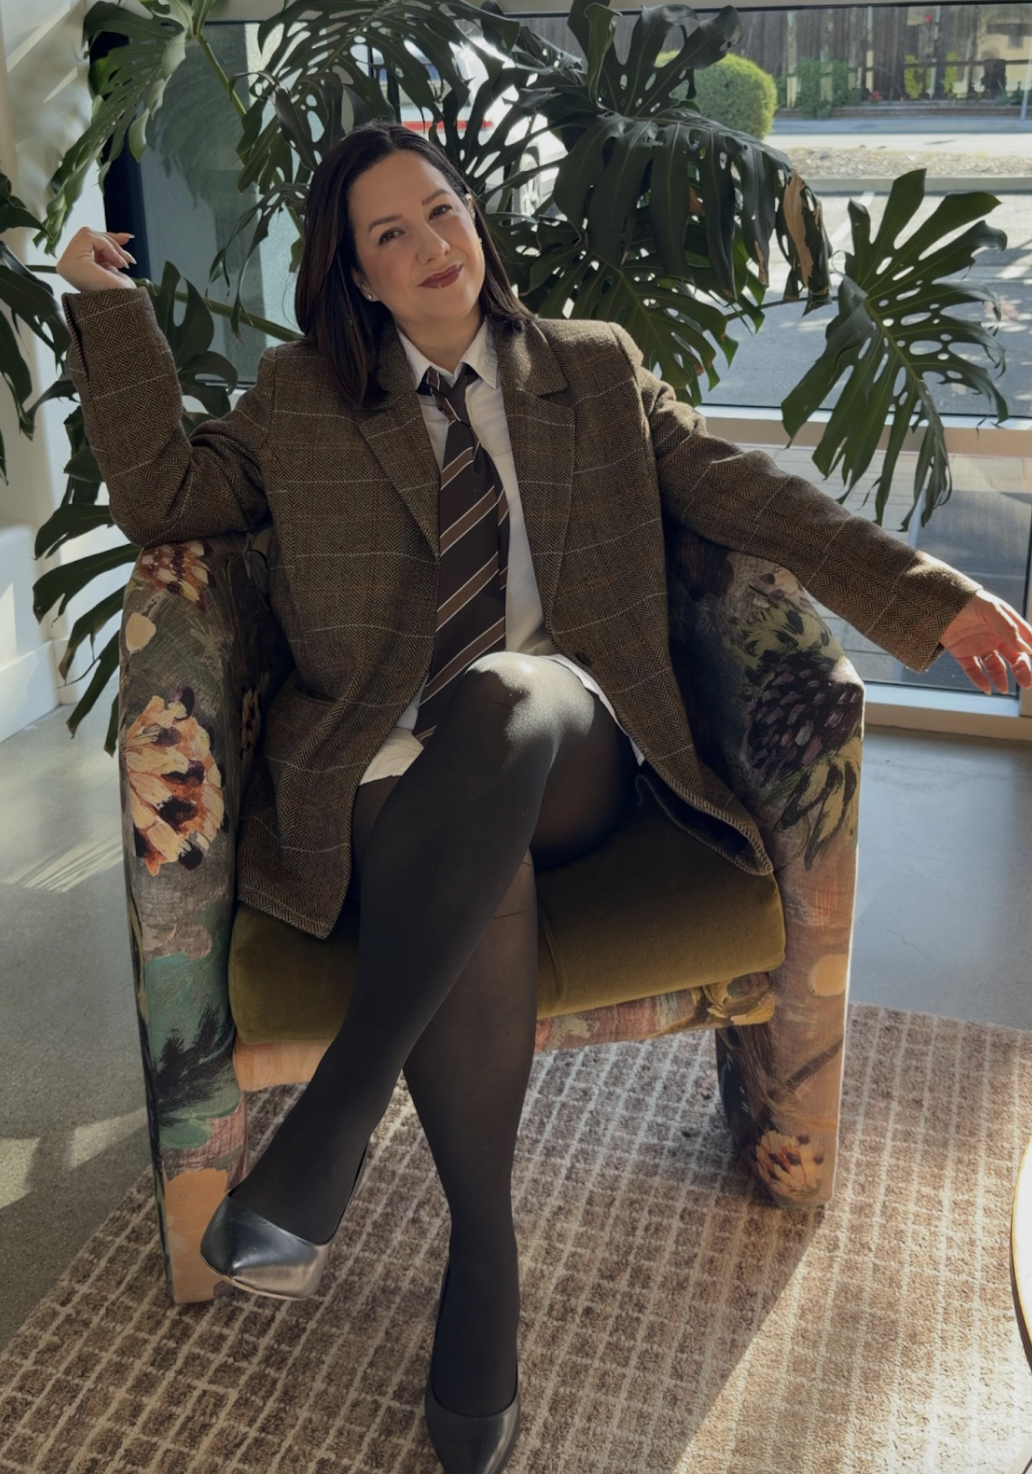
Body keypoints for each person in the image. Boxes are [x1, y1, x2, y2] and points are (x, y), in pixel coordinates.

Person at [57, 119, 1032, 1474]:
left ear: (475, 223)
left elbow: (742, 492)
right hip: (385, 774)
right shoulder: (300, 400)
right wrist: (107, 311)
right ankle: (485, 1263)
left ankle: (334, 1119)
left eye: (440, 211)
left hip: (569, 739)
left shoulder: (591, 369)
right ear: (357, 280)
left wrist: (932, 593)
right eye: (386, 235)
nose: (428, 244)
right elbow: (159, 490)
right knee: (477, 866)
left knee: (510, 699)